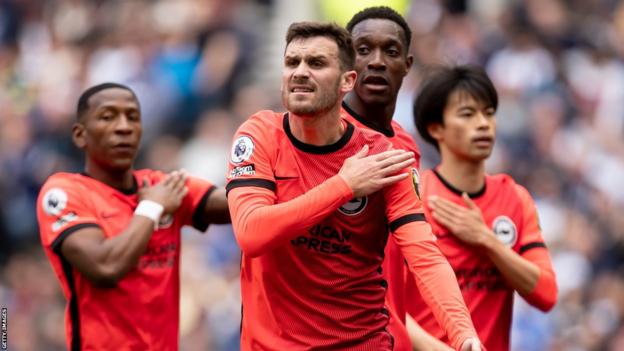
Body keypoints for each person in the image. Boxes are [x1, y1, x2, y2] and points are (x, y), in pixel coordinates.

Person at [226, 21, 481, 351]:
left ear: (348, 80)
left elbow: (424, 255)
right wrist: (343, 185)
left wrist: (464, 336)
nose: (300, 72)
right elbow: (251, 233)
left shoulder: (384, 157)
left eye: (316, 63)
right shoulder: (259, 134)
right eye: (292, 63)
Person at [36, 83, 230, 350]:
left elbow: (237, 204)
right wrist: (151, 210)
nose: (124, 126)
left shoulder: (160, 185)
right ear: (80, 135)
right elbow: (105, 268)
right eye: (108, 117)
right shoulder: (64, 193)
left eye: (132, 117)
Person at [406, 64, 558, 350]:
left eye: (489, 114)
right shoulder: (414, 198)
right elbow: (386, 303)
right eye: (468, 114)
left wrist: (487, 240)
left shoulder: (514, 197)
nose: (483, 124)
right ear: (435, 127)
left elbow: (546, 294)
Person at [342, 7, 453, 351]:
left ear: (407, 65)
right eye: (363, 50)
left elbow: (409, 260)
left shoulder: (404, 146)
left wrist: (460, 336)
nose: (376, 62)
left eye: (389, 51)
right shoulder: (320, 138)